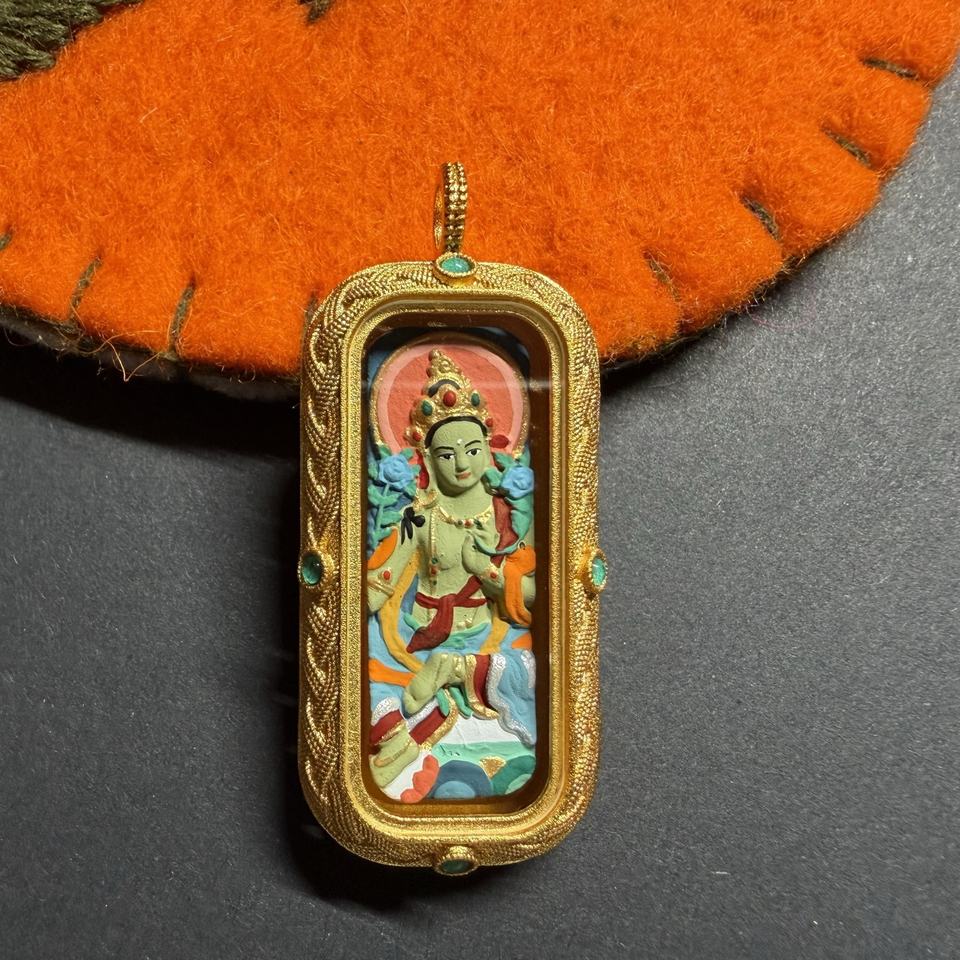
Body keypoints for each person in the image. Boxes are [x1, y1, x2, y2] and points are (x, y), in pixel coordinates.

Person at [365, 347, 537, 802]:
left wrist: (493, 577)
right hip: (416, 639)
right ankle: (398, 742)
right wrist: (346, 600)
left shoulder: (509, 517)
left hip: (491, 637)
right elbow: (384, 579)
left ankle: (457, 671)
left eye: (472, 450)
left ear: (490, 450)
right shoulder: (420, 517)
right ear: (426, 459)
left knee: (539, 671)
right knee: (362, 678)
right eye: (447, 454)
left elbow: (540, 595)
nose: (461, 463)